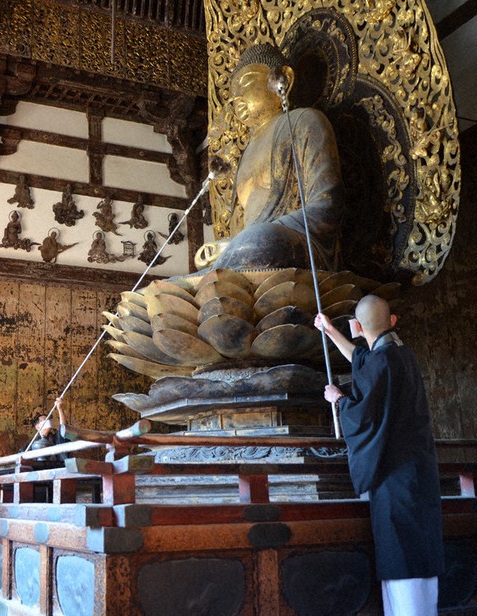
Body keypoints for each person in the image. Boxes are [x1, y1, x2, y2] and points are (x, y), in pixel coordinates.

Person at [315, 296, 444, 616]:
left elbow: (363, 418)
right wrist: (330, 332)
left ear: (357, 326)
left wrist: (340, 399)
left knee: (403, 558)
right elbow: (361, 359)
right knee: (421, 556)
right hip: (419, 476)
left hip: (394, 477)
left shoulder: (381, 363)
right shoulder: (402, 355)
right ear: (394, 321)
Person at [196, 43, 344, 271]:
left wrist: (249, 240)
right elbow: (238, 232)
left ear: (284, 79)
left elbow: (328, 206)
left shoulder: (305, 122)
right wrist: (226, 246)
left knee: (260, 241)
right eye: (233, 94)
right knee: (163, 288)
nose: (238, 98)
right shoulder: (244, 157)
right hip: (249, 254)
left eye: (245, 84)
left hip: (295, 248)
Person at [28, 397, 70, 462]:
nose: (47, 421)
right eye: (44, 420)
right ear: (37, 426)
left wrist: (60, 408)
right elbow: (22, 454)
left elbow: (63, 428)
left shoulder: (56, 438)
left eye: (48, 419)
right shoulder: (33, 443)